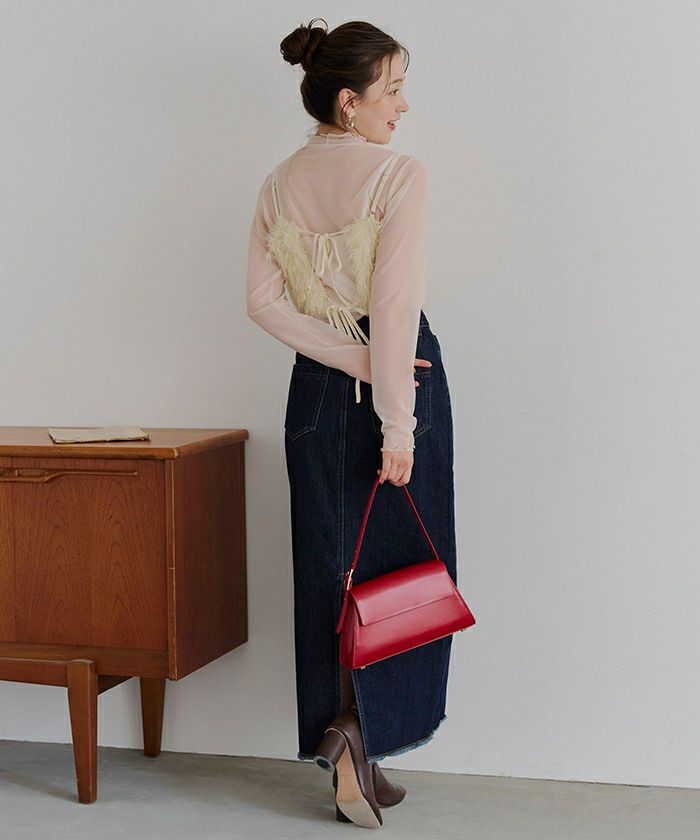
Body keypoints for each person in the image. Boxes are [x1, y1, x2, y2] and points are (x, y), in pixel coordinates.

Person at [246, 18, 457, 828]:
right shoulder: (398, 174)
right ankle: (363, 733)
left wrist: (345, 359)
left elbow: (263, 303)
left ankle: (350, 748)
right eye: (392, 89)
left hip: (314, 387)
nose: (402, 106)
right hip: (399, 377)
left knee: (331, 569)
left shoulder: (278, 183)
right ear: (349, 100)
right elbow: (393, 309)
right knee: (404, 568)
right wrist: (397, 420)